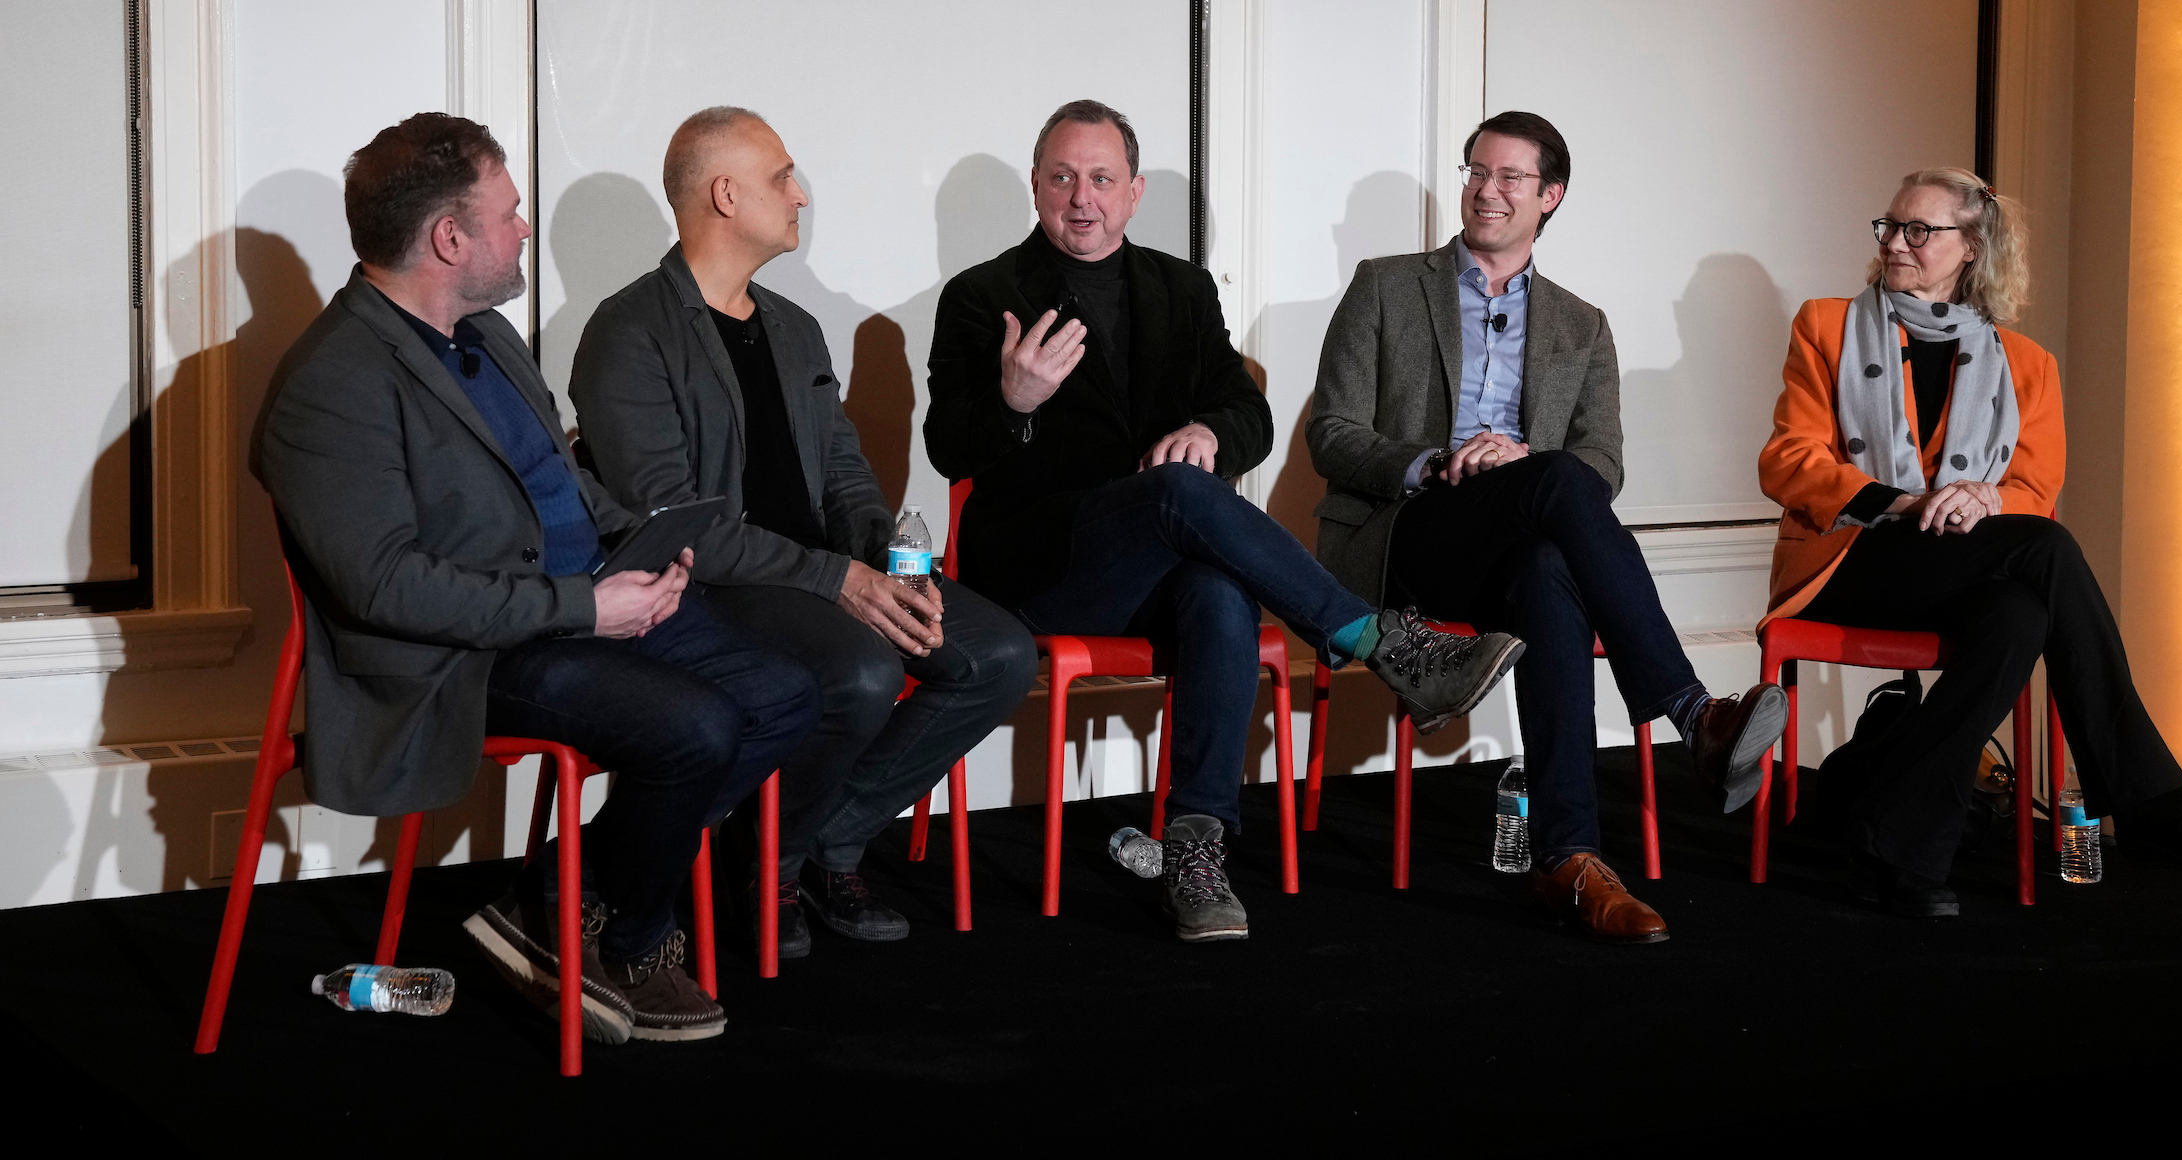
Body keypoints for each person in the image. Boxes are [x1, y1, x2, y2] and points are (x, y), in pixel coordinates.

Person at [254, 113, 820, 1044]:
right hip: (460, 656)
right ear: (449, 238)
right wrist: (585, 607)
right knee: (696, 725)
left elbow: (558, 483)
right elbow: (386, 588)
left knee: (784, 693)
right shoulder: (334, 382)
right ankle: (636, 936)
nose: (524, 229)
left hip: (575, 601)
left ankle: (557, 900)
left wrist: (643, 543)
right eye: (510, 214)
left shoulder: (486, 333)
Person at [926, 99, 1523, 942]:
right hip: (1043, 569)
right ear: (1035, 186)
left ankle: (1195, 846)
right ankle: (1380, 641)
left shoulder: (1181, 288)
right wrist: (1012, 403)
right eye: (1062, 178)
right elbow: (950, 448)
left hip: (1157, 570)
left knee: (1217, 587)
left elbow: (1249, 415)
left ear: (1134, 192)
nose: (1082, 197)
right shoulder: (982, 296)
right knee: (1180, 498)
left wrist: (1209, 430)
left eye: (1101, 178)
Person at [1308, 110, 1788, 944]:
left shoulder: (1581, 323)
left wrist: (1522, 460)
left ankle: (1570, 861)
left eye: (1507, 178)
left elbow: (1604, 460)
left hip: (1515, 542)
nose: (1484, 191)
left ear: (1551, 197)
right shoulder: (1384, 285)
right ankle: (1690, 711)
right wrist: (1438, 462)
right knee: (1555, 483)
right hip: (1411, 536)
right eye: (1475, 173)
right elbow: (1332, 435)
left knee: (1546, 565)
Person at [572, 107, 1036, 956]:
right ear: (725, 194)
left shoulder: (793, 327)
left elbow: (845, 474)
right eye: (783, 177)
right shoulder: (628, 331)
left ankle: (822, 840)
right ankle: (767, 864)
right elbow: (673, 527)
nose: (802, 195)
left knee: (998, 655)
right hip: (719, 589)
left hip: (824, 575)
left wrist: (888, 565)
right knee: (859, 670)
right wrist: (840, 583)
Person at [1757, 165, 2182, 916]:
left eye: (1919, 230)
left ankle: (1898, 848)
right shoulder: (1826, 324)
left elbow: (2034, 493)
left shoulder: (2028, 365)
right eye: (1890, 226)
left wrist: (1983, 498)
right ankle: (2148, 801)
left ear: (1971, 247)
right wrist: (1905, 503)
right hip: (1849, 557)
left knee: (2019, 616)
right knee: (2045, 551)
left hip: (1955, 565)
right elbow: (1788, 461)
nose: (1896, 243)